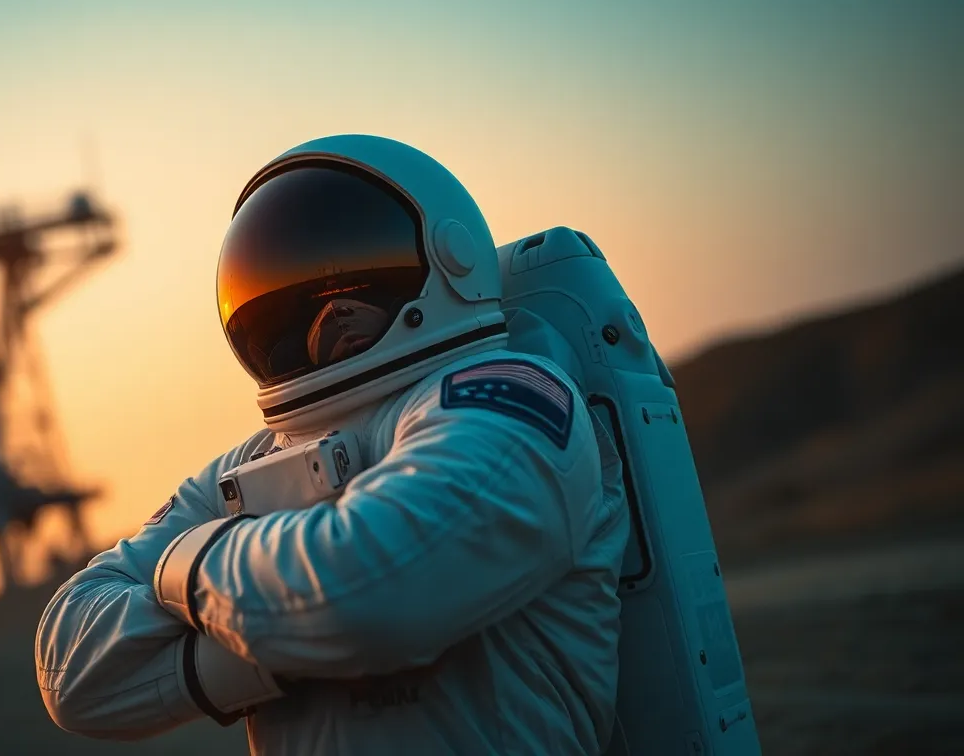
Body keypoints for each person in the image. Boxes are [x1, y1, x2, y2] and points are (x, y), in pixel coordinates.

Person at [36, 134, 630, 755]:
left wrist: (183, 563)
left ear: (445, 257)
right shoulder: (256, 460)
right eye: (310, 298)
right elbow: (70, 669)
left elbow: (371, 595)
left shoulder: (518, 399)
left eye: (359, 284)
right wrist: (283, 640)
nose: (337, 309)